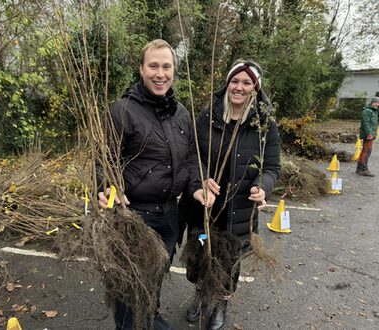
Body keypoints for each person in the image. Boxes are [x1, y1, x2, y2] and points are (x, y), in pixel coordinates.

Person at [97, 39, 214, 330]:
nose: (160, 73)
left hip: (168, 215)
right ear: (141, 69)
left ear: (173, 70)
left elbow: (189, 160)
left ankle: (151, 314)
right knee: (128, 282)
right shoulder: (123, 110)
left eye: (166, 66)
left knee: (157, 272)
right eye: (153, 66)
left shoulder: (182, 113)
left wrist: (197, 186)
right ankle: (129, 325)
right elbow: (103, 158)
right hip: (133, 215)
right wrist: (104, 186)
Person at [180, 60, 280, 330]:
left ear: (255, 89)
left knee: (230, 262)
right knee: (200, 255)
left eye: (246, 83)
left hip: (239, 211)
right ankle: (201, 296)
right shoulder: (207, 117)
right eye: (235, 81)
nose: (239, 87)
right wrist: (201, 179)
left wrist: (263, 185)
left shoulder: (264, 126)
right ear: (227, 84)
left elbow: (271, 167)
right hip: (205, 207)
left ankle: (221, 303)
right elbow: (192, 156)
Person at [355, 96, 379, 177]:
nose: (377, 104)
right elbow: (365, 123)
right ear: (371, 102)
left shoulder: (374, 111)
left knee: (366, 151)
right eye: (375, 102)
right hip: (368, 135)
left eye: (378, 103)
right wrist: (369, 133)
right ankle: (363, 169)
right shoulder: (367, 111)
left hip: (372, 134)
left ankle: (359, 169)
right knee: (366, 151)